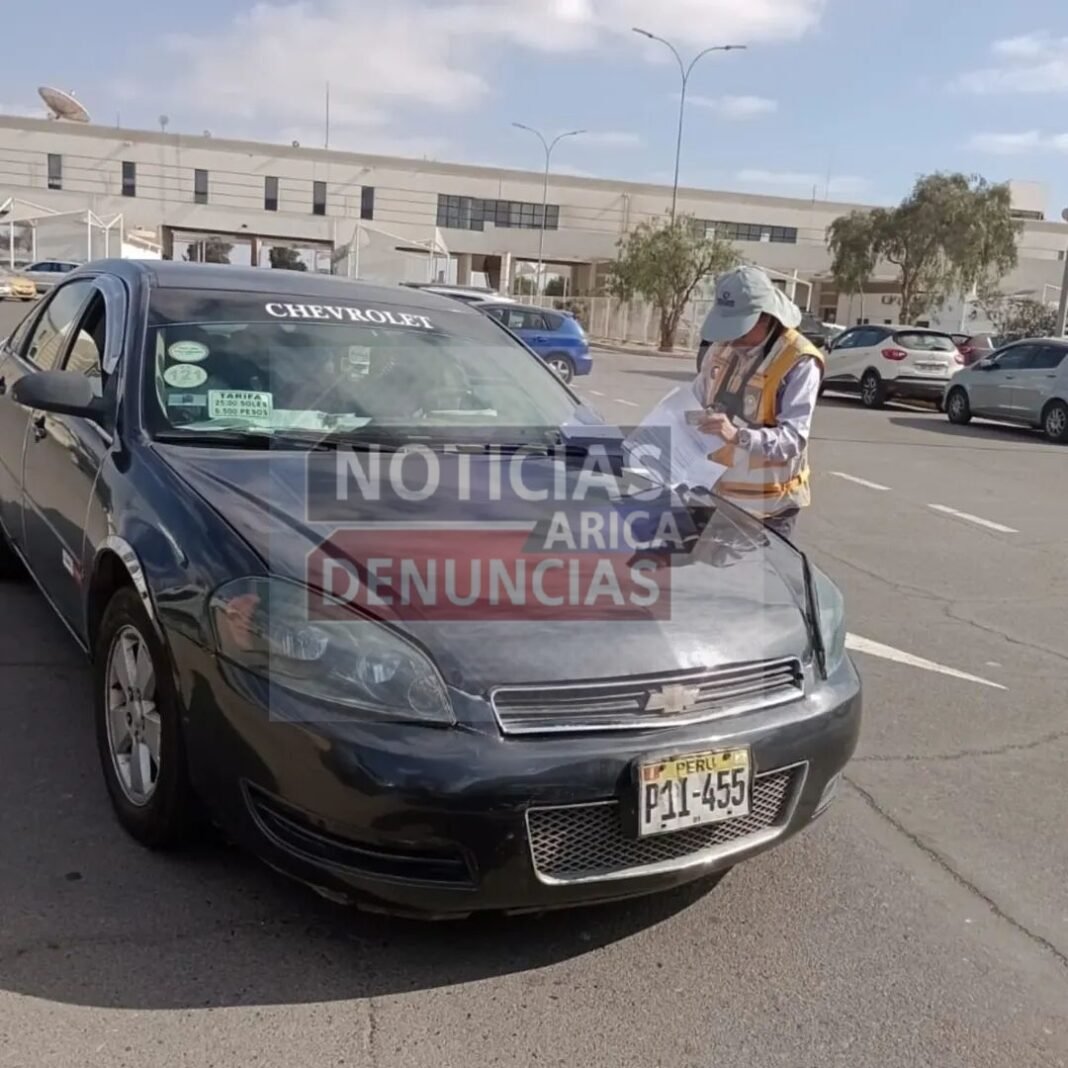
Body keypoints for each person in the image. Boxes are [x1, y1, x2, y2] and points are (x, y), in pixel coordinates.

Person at [693, 265, 824, 540]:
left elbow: (793, 439)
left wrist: (738, 436)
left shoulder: (798, 361)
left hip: (769, 512)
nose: (731, 339)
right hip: (716, 499)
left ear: (765, 318)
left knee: (761, 583)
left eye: (739, 330)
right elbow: (696, 398)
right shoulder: (722, 347)